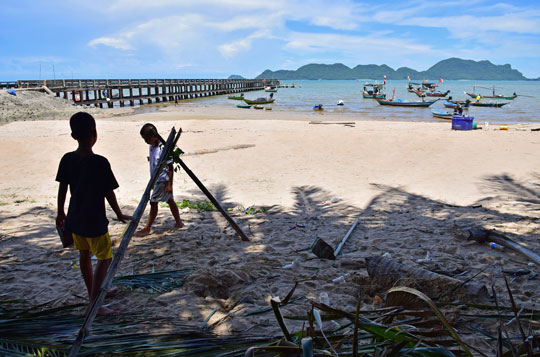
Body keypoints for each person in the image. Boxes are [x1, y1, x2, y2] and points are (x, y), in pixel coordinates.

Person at [56, 112, 132, 316]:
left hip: (75, 218)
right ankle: (94, 303)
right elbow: (109, 192)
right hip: (94, 219)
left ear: (73, 135)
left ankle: (96, 292)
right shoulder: (100, 162)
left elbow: (63, 188)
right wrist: (119, 213)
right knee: (105, 258)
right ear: (95, 133)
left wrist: (60, 212)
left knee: (84, 255)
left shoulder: (67, 159)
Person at [135, 123, 184, 237]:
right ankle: (179, 222)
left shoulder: (163, 149)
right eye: (144, 139)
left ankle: (147, 228)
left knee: (153, 202)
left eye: (147, 138)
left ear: (154, 136)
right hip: (156, 179)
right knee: (170, 200)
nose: (145, 141)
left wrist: (169, 185)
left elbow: (170, 167)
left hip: (162, 180)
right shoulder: (152, 146)